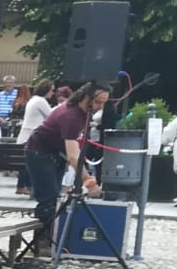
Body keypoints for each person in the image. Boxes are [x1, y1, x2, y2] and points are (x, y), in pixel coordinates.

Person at [25, 81, 110, 249]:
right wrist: (89, 182)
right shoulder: (71, 116)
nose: (101, 107)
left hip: (53, 153)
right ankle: (42, 245)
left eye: (104, 103)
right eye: (98, 102)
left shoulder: (80, 111)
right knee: (48, 199)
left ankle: (49, 242)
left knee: (53, 198)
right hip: (40, 153)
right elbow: (73, 156)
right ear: (86, 98)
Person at [15, 79, 55, 195]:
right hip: (33, 135)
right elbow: (51, 116)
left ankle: (21, 186)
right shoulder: (41, 101)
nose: (52, 93)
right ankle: (28, 186)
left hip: (25, 134)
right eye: (52, 90)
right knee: (31, 163)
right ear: (46, 90)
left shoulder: (33, 99)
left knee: (25, 163)